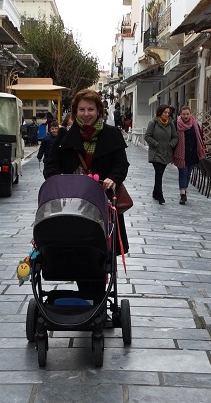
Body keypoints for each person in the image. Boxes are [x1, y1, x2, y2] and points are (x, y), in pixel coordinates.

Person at [44, 88, 130, 297]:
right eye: (82, 109)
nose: (86, 114)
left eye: (91, 109)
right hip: (70, 202)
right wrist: (61, 182)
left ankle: (95, 297)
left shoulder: (112, 134)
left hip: (102, 202)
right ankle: (87, 297)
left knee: (98, 250)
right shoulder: (65, 136)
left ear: (99, 110)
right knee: (74, 247)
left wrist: (113, 179)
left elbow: (121, 164)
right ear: (75, 112)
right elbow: (51, 166)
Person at [173, 105, 207, 205]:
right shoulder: (176, 124)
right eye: (184, 114)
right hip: (180, 154)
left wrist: (200, 149)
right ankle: (182, 194)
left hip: (192, 154)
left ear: (190, 114)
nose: (186, 116)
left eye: (187, 114)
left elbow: (200, 137)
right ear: (180, 114)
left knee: (188, 174)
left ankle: (184, 189)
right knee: (183, 173)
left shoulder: (195, 124)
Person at [144, 104, 177, 204]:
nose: (167, 114)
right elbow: (147, 136)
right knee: (159, 172)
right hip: (156, 153)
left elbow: (175, 137)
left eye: (168, 113)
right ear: (160, 113)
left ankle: (155, 193)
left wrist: (171, 144)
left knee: (160, 173)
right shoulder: (153, 123)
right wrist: (156, 144)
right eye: (165, 112)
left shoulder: (170, 123)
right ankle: (160, 195)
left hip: (166, 152)